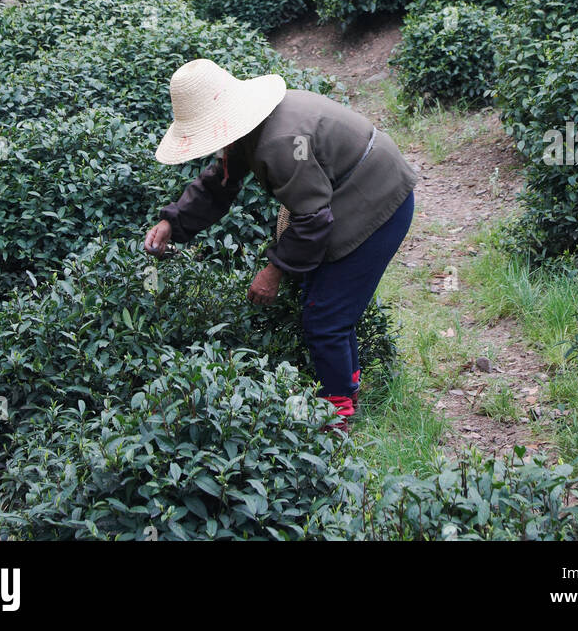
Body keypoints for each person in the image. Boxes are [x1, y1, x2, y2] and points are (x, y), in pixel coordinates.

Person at [144, 58, 416, 424]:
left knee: (326, 315)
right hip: (344, 191)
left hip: (377, 197)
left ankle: (336, 415)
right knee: (324, 304)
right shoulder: (250, 127)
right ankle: (348, 384)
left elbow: (312, 219)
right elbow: (219, 184)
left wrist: (274, 271)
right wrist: (171, 223)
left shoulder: (282, 142)